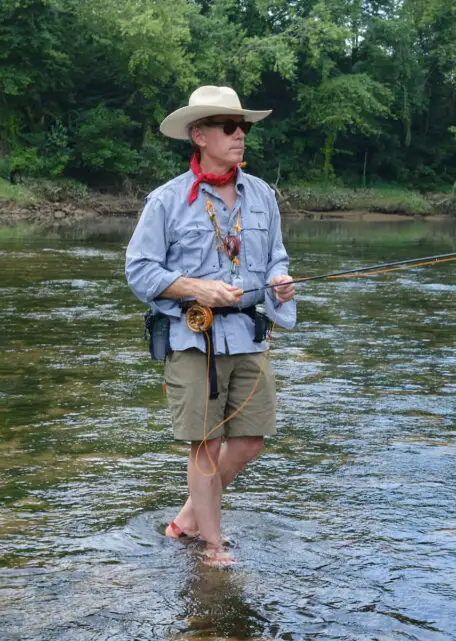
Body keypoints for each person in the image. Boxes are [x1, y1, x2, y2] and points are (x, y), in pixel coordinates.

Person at [125, 85, 297, 567]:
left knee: (249, 440)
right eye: (228, 126)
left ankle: (185, 519)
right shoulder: (165, 201)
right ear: (199, 135)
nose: (240, 134)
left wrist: (281, 282)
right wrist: (196, 288)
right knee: (206, 443)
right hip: (192, 337)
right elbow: (139, 271)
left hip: (250, 335)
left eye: (243, 126)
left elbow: (276, 258)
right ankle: (212, 547)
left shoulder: (263, 194)